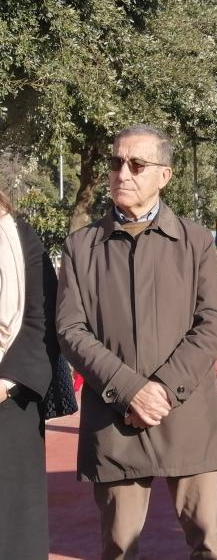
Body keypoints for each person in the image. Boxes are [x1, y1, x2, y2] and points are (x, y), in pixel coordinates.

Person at [56, 125, 217, 560]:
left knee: (206, 544)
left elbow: (211, 324)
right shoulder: (81, 246)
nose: (123, 173)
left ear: (164, 176)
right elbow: (70, 330)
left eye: (137, 164)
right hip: (114, 418)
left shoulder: (195, 241)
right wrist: (130, 390)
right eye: (116, 162)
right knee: (118, 547)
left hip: (187, 414)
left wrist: (164, 391)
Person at [0, 188, 58, 559]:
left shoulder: (20, 238)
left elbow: (42, 320)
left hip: (10, 399)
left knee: (13, 531)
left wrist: (6, 382)